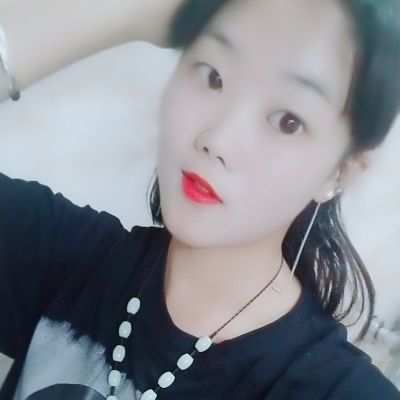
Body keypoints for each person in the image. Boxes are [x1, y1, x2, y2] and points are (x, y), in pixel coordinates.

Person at [1, 0, 400, 399]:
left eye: (287, 121)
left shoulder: (336, 391)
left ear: (339, 171)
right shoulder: (64, 257)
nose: (217, 140)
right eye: (213, 77)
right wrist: (130, 12)